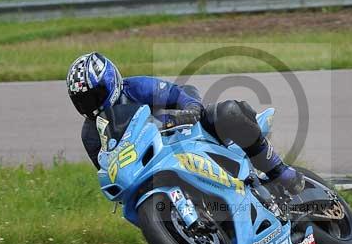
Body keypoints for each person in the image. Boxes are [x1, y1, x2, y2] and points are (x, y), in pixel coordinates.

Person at [66, 52, 304, 194]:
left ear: (110, 82)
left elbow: (177, 94)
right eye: (83, 101)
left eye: (94, 96)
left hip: (184, 134)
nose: (91, 105)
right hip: (151, 168)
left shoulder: (135, 88)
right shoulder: (91, 135)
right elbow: (107, 171)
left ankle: (279, 171)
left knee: (230, 111)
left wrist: (190, 109)